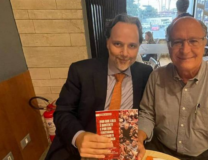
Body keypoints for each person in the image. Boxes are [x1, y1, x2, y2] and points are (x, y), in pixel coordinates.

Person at [137, 17, 208, 160]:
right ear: (169, 45)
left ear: (205, 43)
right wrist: (138, 137)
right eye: (177, 42)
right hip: (160, 151)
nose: (185, 50)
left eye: (193, 41)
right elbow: (147, 114)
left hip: (201, 156)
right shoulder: (157, 77)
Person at [45, 14, 153, 160]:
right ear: (107, 42)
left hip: (124, 149)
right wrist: (79, 137)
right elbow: (62, 112)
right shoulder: (81, 71)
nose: (125, 53)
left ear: (139, 46)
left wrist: (139, 137)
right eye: (118, 44)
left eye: (132, 46)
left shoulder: (145, 73)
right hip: (84, 149)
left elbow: (148, 113)